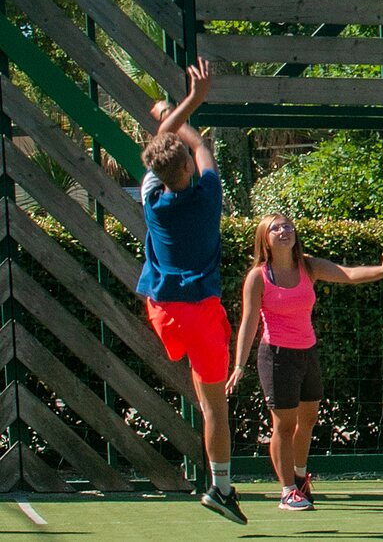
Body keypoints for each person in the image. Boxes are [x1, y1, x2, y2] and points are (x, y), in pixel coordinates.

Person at [227, 214, 383, 510]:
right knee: (284, 426)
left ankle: (299, 477)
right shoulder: (257, 277)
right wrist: (238, 366)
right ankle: (287, 492)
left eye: (287, 226)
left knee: (308, 420)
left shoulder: (308, 266)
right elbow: (248, 323)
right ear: (265, 240)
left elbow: (348, 274)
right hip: (276, 356)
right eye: (276, 228)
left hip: (307, 353)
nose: (284, 231)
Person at [136, 58, 246, 524]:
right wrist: (195, 101)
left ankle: (219, 486)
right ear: (185, 165)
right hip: (201, 312)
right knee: (215, 407)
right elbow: (195, 140)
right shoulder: (209, 192)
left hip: (163, 311)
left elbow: (171, 142)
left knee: (204, 397)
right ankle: (220, 488)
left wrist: (176, 110)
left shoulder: (151, 199)